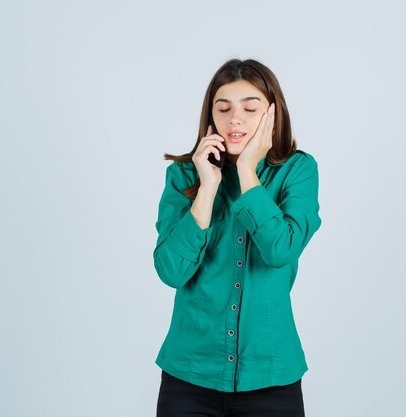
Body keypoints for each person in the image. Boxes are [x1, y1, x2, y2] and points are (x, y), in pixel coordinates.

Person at [152, 58, 322, 417]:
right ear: (210, 115)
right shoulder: (184, 175)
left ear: (272, 113)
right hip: (189, 377)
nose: (236, 119)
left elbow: (281, 249)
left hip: (271, 379)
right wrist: (207, 189)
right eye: (224, 108)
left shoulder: (298, 171)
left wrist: (247, 171)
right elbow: (170, 271)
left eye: (250, 107)